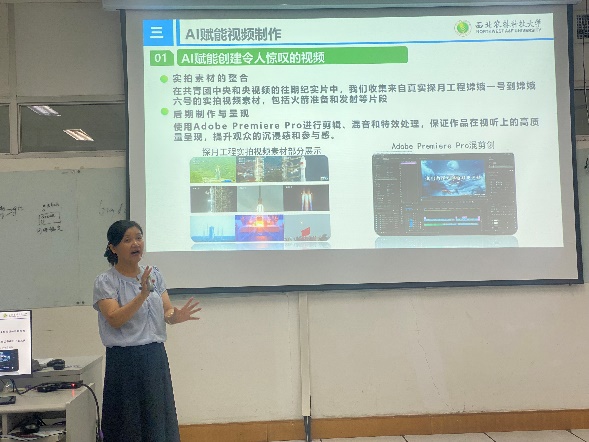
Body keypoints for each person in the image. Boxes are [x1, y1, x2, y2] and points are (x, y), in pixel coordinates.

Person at [93, 220, 200, 442]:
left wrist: (174, 316)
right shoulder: (106, 281)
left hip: (154, 356)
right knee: (128, 426)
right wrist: (142, 295)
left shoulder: (154, 275)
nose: (136, 244)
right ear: (113, 247)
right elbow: (114, 319)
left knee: (157, 420)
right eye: (127, 240)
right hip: (125, 361)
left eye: (139, 238)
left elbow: (167, 309)